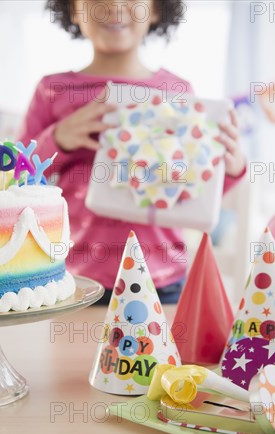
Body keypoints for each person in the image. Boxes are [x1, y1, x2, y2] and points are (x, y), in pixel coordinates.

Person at [19, 0, 246, 304]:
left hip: (162, 280)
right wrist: (56, 139)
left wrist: (231, 168)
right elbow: (16, 179)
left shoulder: (178, 91)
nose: (113, 6)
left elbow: (197, 193)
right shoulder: (52, 90)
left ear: (156, 9)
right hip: (75, 281)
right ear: (73, 9)